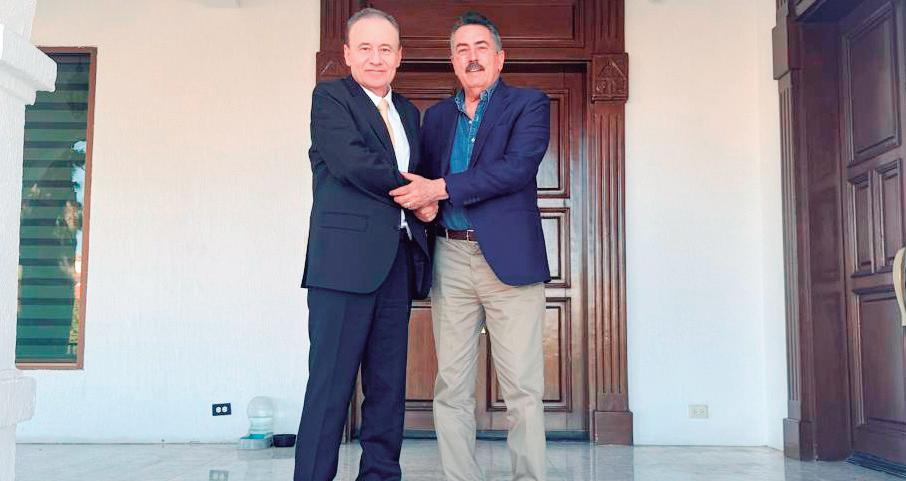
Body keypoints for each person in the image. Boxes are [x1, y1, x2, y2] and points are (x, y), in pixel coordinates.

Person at [389, 11, 551, 481]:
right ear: (453, 62)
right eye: (462, 49)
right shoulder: (437, 117)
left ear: (500, 58)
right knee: (452, 387)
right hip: (451, 258)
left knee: (522, 388)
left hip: (510, 261)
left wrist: (438, 189)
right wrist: (424, 206)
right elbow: (424, 180)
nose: (472, 57)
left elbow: (515, 170)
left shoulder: (529, 104)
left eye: (481, 47)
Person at [294, 8, 435, 481]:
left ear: (399, 57)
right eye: (366, 48)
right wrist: (417, 193)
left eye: (385, 49)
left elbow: (421, 176)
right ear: (348, 54)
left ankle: (380, 475)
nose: (376, 58)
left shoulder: (409, 113)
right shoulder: (331, 98)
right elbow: (351, 162)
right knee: (330, 387)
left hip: (397, 262)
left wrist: (428, 204)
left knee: (387, 388)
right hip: (342, 267)